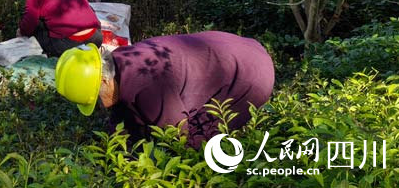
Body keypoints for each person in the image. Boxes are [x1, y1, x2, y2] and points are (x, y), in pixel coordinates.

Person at [55, 31, 275, 149]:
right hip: (241, 47)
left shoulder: (147, 84)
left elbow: (176, 136)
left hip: (250, 75)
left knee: (196, 141)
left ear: (103, 81)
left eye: (95, 100)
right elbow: (123, 115)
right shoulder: (118, 62)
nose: (99, 107)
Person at [18, 0, 103, 57]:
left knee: (38, 27)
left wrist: (22, 31)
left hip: (68, 44)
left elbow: (29, 22)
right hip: (96, 37)